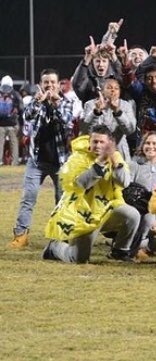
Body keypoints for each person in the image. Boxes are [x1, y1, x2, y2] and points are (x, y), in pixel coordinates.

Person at [42, 126, 140, 263]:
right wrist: (100, 163)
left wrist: (115, 163)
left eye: (102, 142)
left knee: (132, 215)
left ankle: (120, 251)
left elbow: (125, 182)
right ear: (89, 142)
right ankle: (54, 247)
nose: (98, 145)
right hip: (82, 214)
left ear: (109, 143)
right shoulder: (78, 158)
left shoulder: (116, 156)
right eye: (95, 141)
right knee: (79, 259)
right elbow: (81, 184)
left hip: (106, 209)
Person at [9, 69, 74, 249]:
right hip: (36, 160)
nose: (49, 85)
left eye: (52, 82)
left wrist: (56, 103)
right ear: (41, 84)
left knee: (62, 200)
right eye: (46, 82)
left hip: (60, 161)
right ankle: (21, 235)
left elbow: (66, 122)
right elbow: (26, 116)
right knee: (28, 197)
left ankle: (61, 236)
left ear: (58, 84)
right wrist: (38, 102)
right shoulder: (35, 101)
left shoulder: (67, 102)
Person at [126, 131, 156, 259]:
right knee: (148, 218)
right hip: (140, 211)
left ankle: (149, 245)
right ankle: (137, 247)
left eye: (154, 143)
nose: (151, 146)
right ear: (142, 146)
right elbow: (128, 190)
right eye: (147, 143)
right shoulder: (134, 165)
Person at [0, 75, 23, 166]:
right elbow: (21, 108)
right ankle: (15, 162)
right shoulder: (15, 94)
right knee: (14, 143)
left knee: (0, 143)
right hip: (13, 123)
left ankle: (0, 161)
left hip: (1, 124)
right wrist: (20, 122)